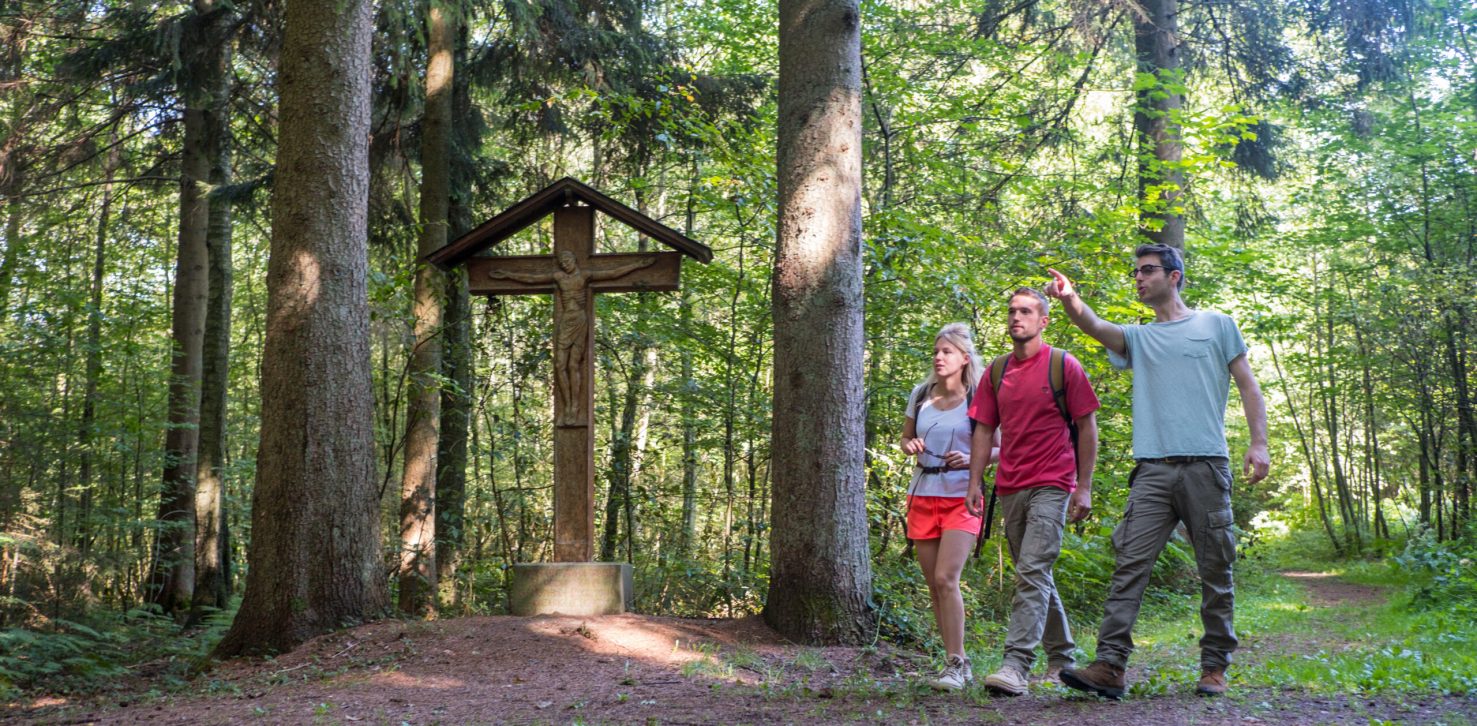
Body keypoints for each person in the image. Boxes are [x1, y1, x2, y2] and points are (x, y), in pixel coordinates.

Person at [1046, 243, 1270, 699]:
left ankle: (1214, 667)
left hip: (1207, 467)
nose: (1139, 278)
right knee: (1129, 565)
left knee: (1216, 568)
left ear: (1174, 276)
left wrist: (1259, 443)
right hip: (1151, 471)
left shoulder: (1217, 325)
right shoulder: (1140, 338)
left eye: (1147, 270)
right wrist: (1070, 299)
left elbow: (1248, 384)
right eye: (1136, 272)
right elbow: (1094, 326)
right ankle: (1109, 667)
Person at [965, 287, 1100, 696]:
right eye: (1011, 311)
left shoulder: (1063, 365)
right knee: (1035, 572)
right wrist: (974, 482)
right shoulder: (996, 371)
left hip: (1053, 483)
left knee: (1032, 570)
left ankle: (1016, 664)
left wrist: (1084, 487)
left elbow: (1087, 427)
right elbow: (985, 429)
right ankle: (1062, 657)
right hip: (1010, 486)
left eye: (1025, 311)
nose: (1016, 318)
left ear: (1044, 321)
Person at [901, 323, 996, 691]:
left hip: (963, 496)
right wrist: (908, 446)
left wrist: (973, 458)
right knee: (933, 585)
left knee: (946, 579)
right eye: (936, 352)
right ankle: (956, 661)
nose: (939, 358)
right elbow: (906, 437)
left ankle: (955, 664)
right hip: (923, 493)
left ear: (964, 359)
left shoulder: (980, 399)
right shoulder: (921, 394)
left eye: (947, 352)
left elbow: (1001, 449)